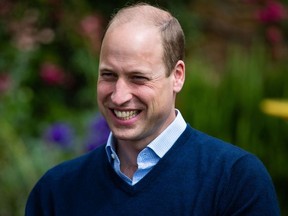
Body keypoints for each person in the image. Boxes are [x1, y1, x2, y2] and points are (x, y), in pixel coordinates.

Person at [25, 3, 280, 215]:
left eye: (138, 78)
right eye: (109, 75)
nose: (119, 95)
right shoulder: (55, 192)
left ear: (177, 76)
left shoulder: (235, 181)